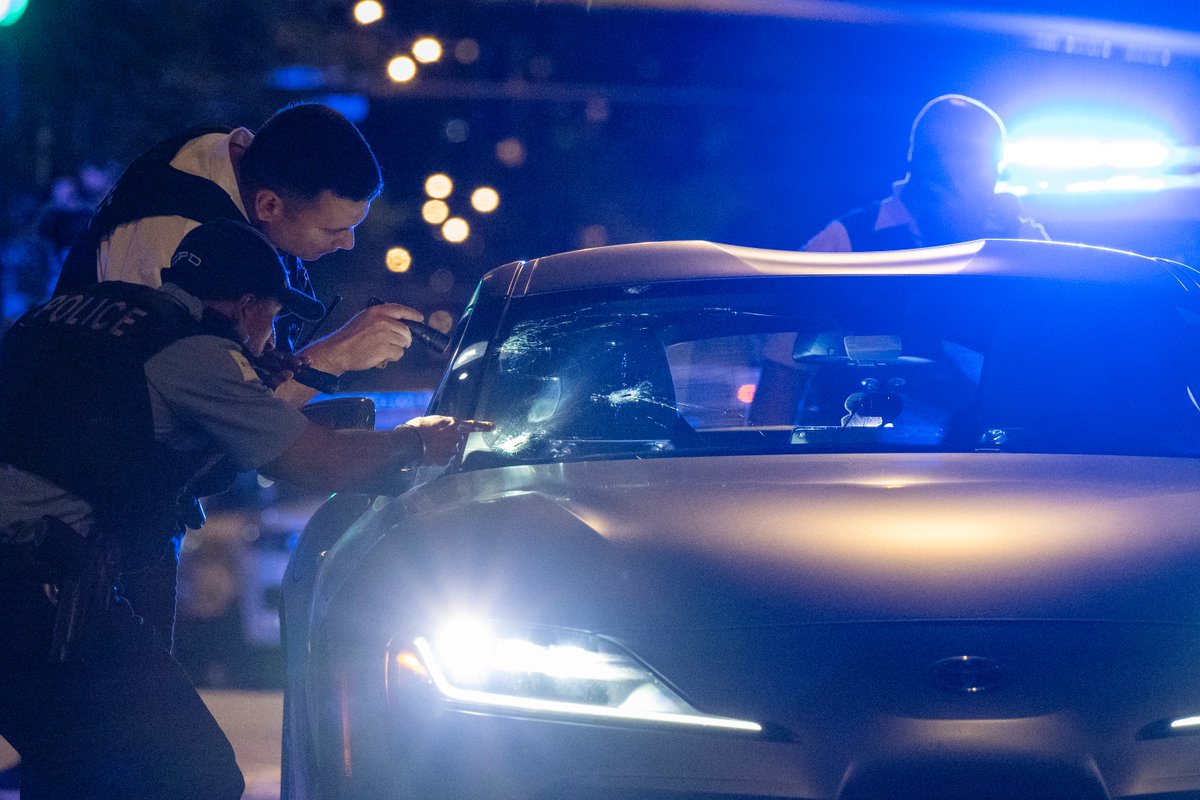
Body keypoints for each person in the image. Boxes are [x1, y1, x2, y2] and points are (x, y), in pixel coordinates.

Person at [0, 219, 491, 800]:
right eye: (275, 318)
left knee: (74, 775)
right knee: (196, 772)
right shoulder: (192, 353)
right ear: (249, 307)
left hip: (32, 579)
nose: (274, 335)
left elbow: (112, 433)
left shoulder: (69, 314)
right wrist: (419, 439)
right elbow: (320, 462)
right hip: (37, 592)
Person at [55, 101, 418, 404]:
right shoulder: (174, 245)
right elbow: (217, 412)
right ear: (269, 206)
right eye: (332, 229)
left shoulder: (242, 159)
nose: (348, 243)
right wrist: (338, 354)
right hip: (81, 455)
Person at [804, 94, 1048, 252]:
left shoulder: (1020, 237)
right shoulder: (849, 236)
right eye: (969, 160)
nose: (988, 178)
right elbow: (784, 324)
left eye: (992, 164)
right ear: (922, 163)